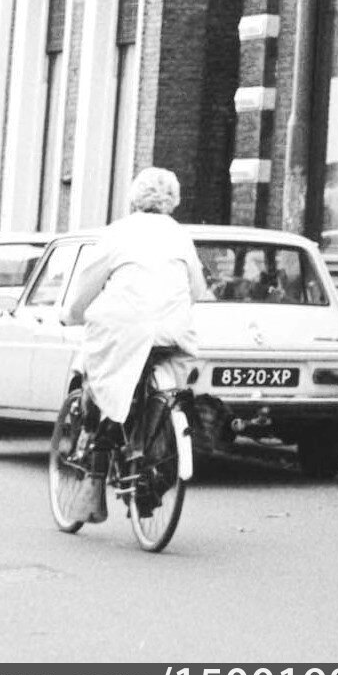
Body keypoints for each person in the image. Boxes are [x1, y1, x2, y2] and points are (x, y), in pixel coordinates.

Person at [63, 167, 209, 468]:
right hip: (173, 331)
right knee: (167, 378)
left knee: (94, 365)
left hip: (125, 329)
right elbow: (197, 289)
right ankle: (148, 438)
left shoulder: (117, 232)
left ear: (134, 198)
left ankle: (95, 433)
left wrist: (72, 314)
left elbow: (88, 283)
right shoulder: (181, 235)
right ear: (174, 200)